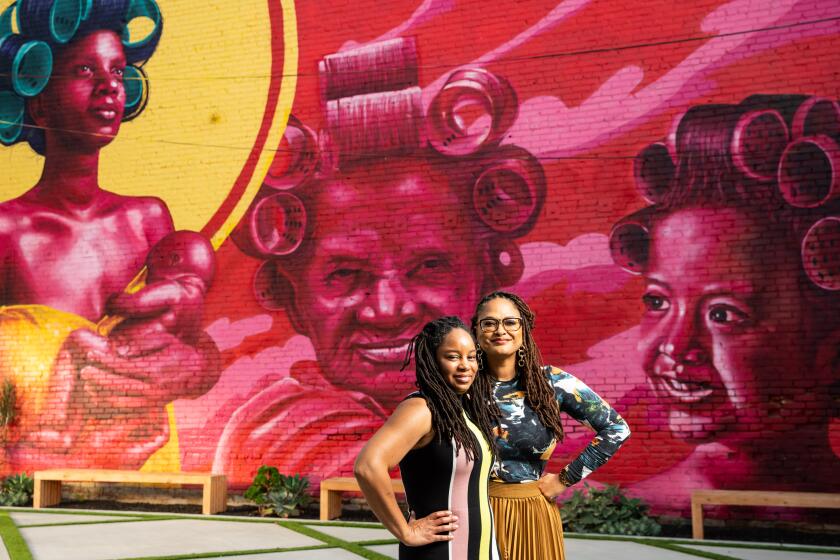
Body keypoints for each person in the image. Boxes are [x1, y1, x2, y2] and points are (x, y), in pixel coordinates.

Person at [211, 37, 545, 484]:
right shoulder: (289, 431)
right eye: (345, 275)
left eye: (429, 267)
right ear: (294, 302)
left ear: (485, 280)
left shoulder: (488, 412)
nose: (387, 310)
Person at [0, 0, 220, 471]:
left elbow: (190, 334)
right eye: (84, 69)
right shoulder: (8, 233)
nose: (108, 88)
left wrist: (191, 370)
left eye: (118, 71)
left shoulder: (149, 221)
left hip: (150, 461)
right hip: (38, 469)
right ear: (37, 96)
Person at [610, 97, 840, 510]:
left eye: (723, 314)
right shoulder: (612, 521)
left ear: (833, 353)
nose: (676, 347)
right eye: (658, 302)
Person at [472, 291, 631, 560]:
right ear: (476, 330)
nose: (501, 330)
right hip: (471, 512)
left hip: (532, 513)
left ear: (524, 329)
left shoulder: (552, 383)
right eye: (489, 323)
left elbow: (616, 428)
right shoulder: (462, 384)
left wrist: (564, 479)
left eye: (511, 322)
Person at [354, 316, 500, 560]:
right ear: (432, 361)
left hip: (481, 551)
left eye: (472, 357)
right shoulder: (422, 409)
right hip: (441, 552)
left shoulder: (465, 409)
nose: (465, 365)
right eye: (453, 357)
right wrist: (405, 531)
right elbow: (368, 466)